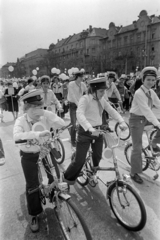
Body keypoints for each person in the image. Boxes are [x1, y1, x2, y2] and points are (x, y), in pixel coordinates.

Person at [13, 89, 65, 233]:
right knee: (32, 185)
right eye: (35, 108)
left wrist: (46, 113)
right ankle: (34, 214)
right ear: (27, 108)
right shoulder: (21, 120)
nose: (38, 111)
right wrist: (36, 134)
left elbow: (61, 124)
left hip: (45, 151)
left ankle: (55, 198)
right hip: (29, 155)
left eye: (40, 106)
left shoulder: (44, 116)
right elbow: (16, 136)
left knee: (55, 176)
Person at [63, 77, 127, 185]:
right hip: (85, 132)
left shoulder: (101, 100)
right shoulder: (85, 99)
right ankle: (66, 179)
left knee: (97, 156)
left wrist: (121, 121)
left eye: (104, 91)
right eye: (101, 91)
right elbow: (80, 114)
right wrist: (89, 127)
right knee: (79, 160)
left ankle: (93, 173)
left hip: (98, 131)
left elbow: (111, 110)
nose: (103, 93)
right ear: (94, 90)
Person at [129, 66, 160, 184]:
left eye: (153, 80)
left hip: (145, 118)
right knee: (137, 147)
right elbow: (146, 110)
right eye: (148, 80)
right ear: (143, 79)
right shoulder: (139, 93)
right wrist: (157, 123)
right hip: (136, 119)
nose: (151, 82)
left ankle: (153, 144)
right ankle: (134, 172)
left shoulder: (151, 92)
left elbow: (158, 104)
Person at [67, 70, 87, 147]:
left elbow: (86, 93)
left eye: (83, 77)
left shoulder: (83, 84)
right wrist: (78, 104)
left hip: (80, 104)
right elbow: (72, 96)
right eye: (81, 77)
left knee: (80, 122)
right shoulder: (71, 84)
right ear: (77, 77)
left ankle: (71, 129)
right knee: (74, 124)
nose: (82, 78)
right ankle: (73, 140)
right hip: (73, 104)